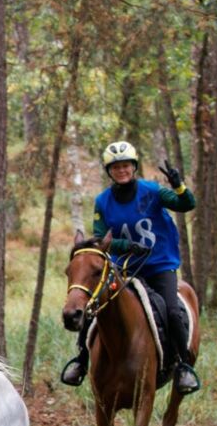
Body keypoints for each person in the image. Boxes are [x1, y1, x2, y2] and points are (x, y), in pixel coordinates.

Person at [60, 140, 200, 394]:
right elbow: (100, 238)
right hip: (122, 268)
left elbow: (187, 204)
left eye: (126, 165)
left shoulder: (152, 191)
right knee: (93, 307)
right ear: (109, 171)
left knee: (171, 310)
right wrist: (127, 245)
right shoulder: (103, 201)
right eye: (116, 167)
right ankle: (81, 360)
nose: (121, 170)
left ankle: (183, 365)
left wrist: (178, 185)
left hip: (159, 266)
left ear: (133, 167)